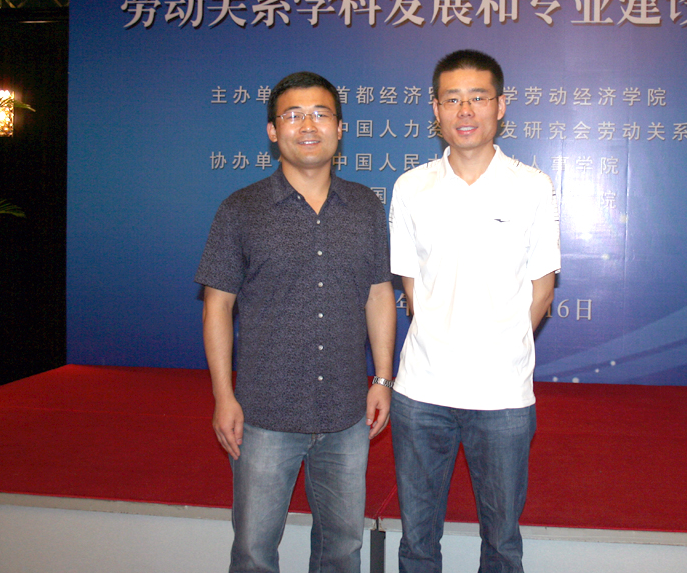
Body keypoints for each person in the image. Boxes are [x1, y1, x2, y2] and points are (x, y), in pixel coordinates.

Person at [195, 71, 396, 573]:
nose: (308, 125)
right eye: (293, 115)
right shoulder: (241, 209)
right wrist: (223, 395)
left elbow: (378, 294)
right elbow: (217, 305)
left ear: (340, 128)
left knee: (341, 551)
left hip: (347, 415)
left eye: (321, 114)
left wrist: (382, 378)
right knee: (254, 552)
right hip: (264, 415)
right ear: (272, 130)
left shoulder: (366, 207)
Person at [388, 50, 561, 573]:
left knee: (502, 542)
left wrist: (500, 346)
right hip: (422, 391)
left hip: (502, 393)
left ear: (500, 106)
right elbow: (411, 285)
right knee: (417, 542)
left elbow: (543, 288)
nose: (465, 111)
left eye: (478, 98)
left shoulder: (532, 186)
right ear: (436, 110)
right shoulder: (411, 187)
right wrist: (443, 337)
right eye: (453, 99)